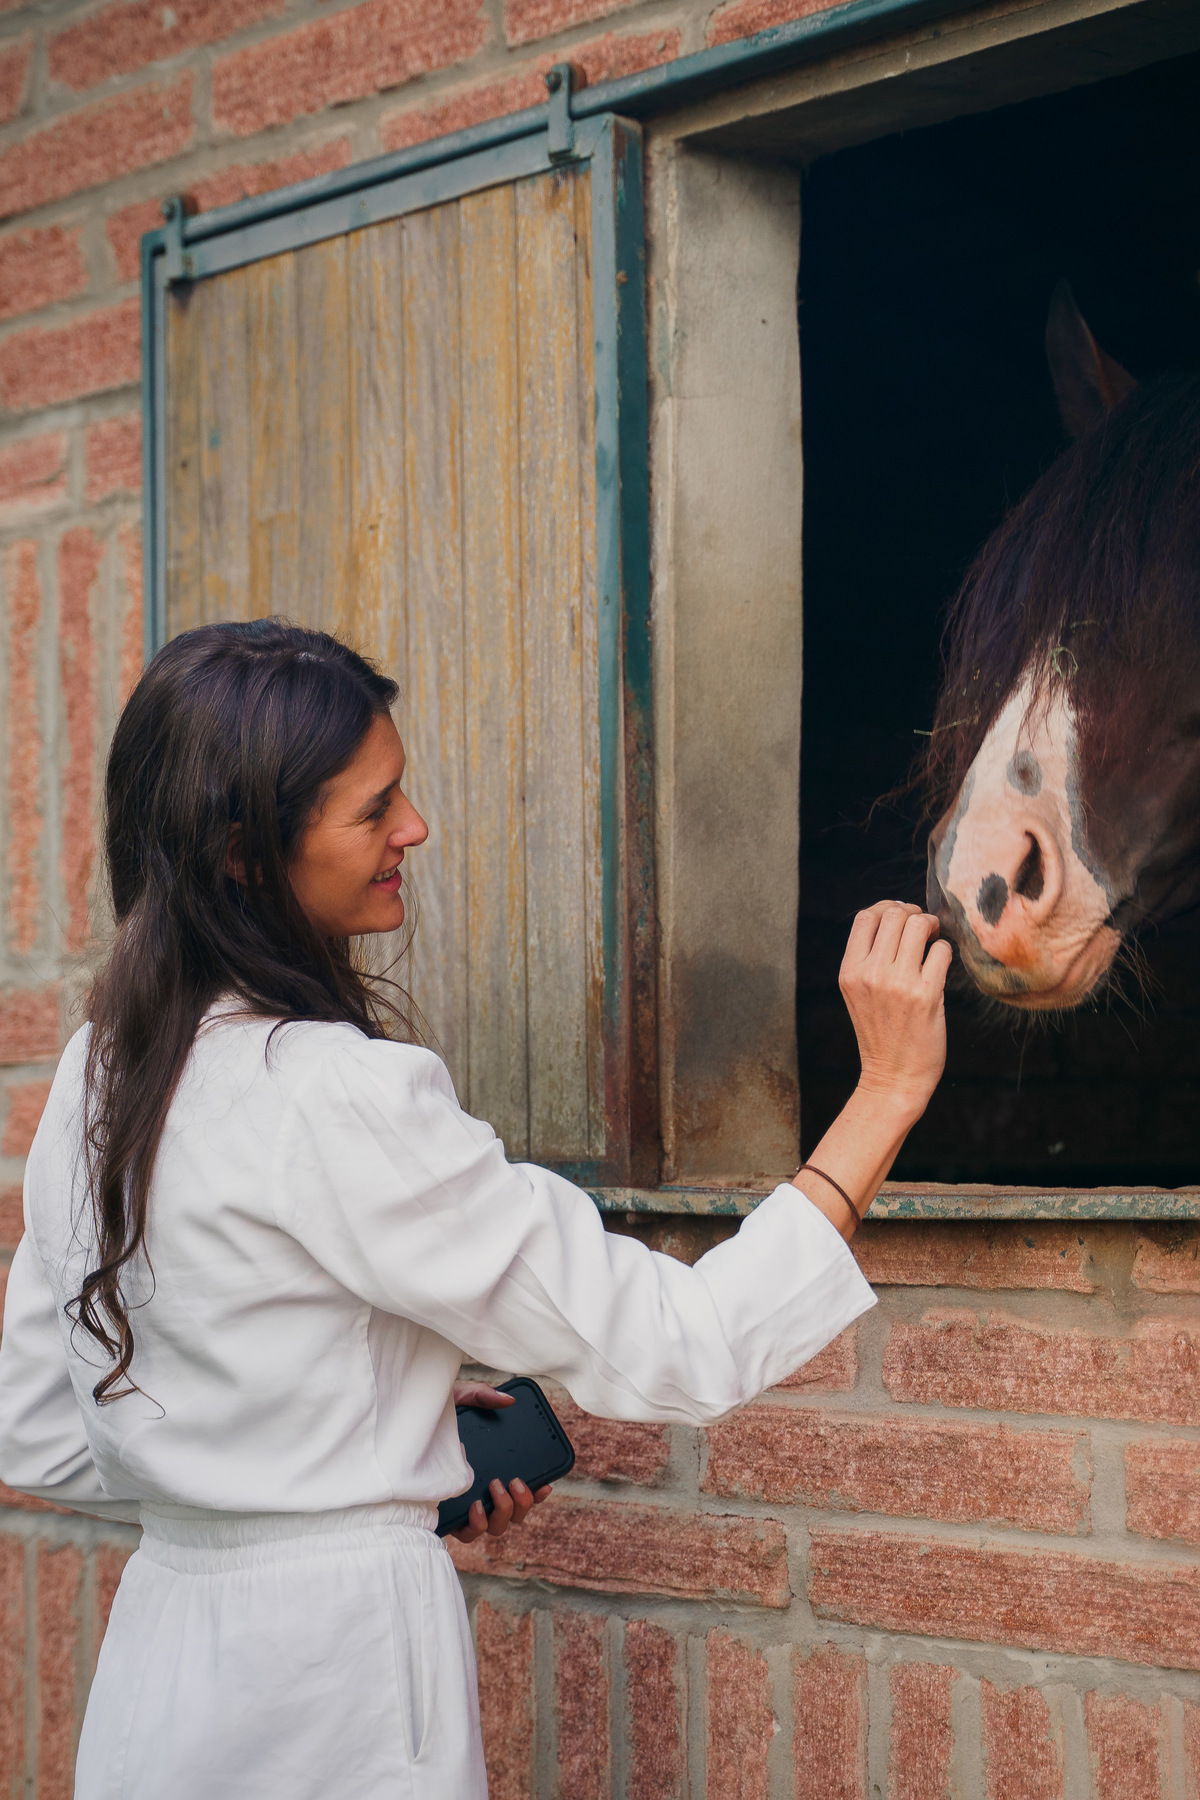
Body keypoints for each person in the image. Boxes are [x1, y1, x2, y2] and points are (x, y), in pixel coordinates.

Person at [0, 621, 951, 1799]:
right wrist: (890, 1090)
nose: (416, 829)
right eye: (375, 808)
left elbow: (37, 1428)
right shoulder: (337, 1092)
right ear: (245, 853)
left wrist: (340, 1425)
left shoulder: (101, 1070)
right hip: (339, 1697)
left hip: (159, 1687)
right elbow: (686, 1347)